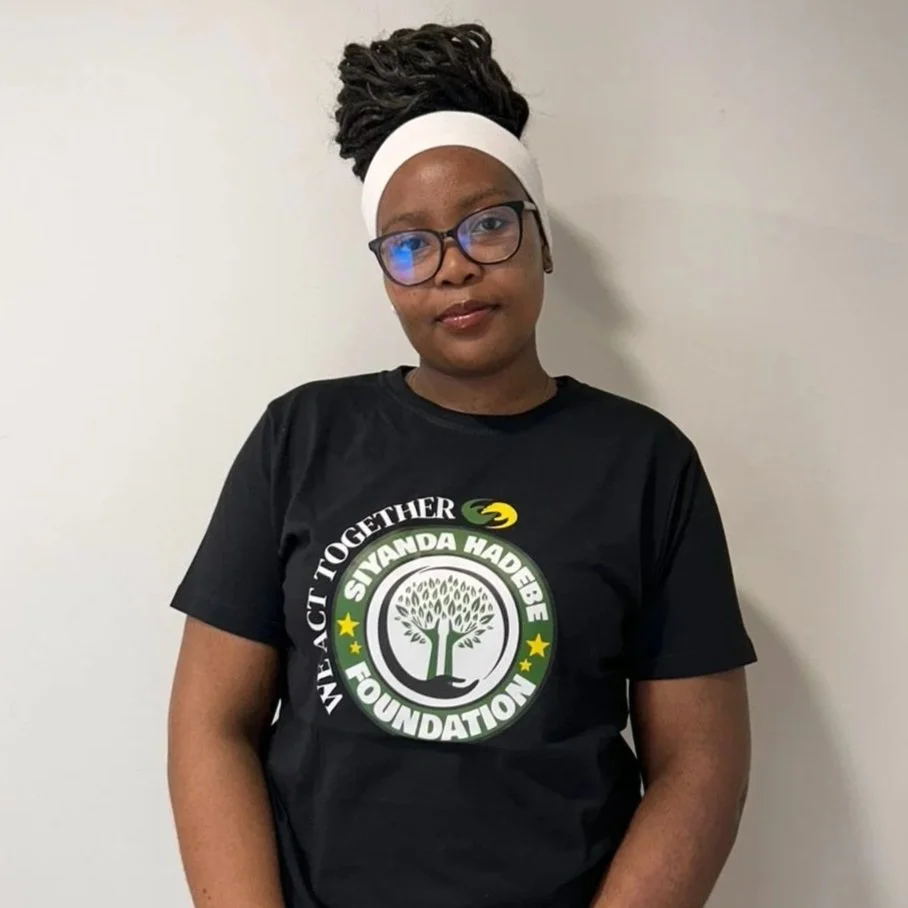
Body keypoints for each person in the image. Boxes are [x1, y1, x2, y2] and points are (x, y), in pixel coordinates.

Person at [167, 22, 756, 908]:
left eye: (488, 226)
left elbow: (700, 765)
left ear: (543, 239)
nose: (454, 270)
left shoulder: (645, 464)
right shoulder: (301, 438)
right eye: (410, 245)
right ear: (387, 274)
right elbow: (209, 724)